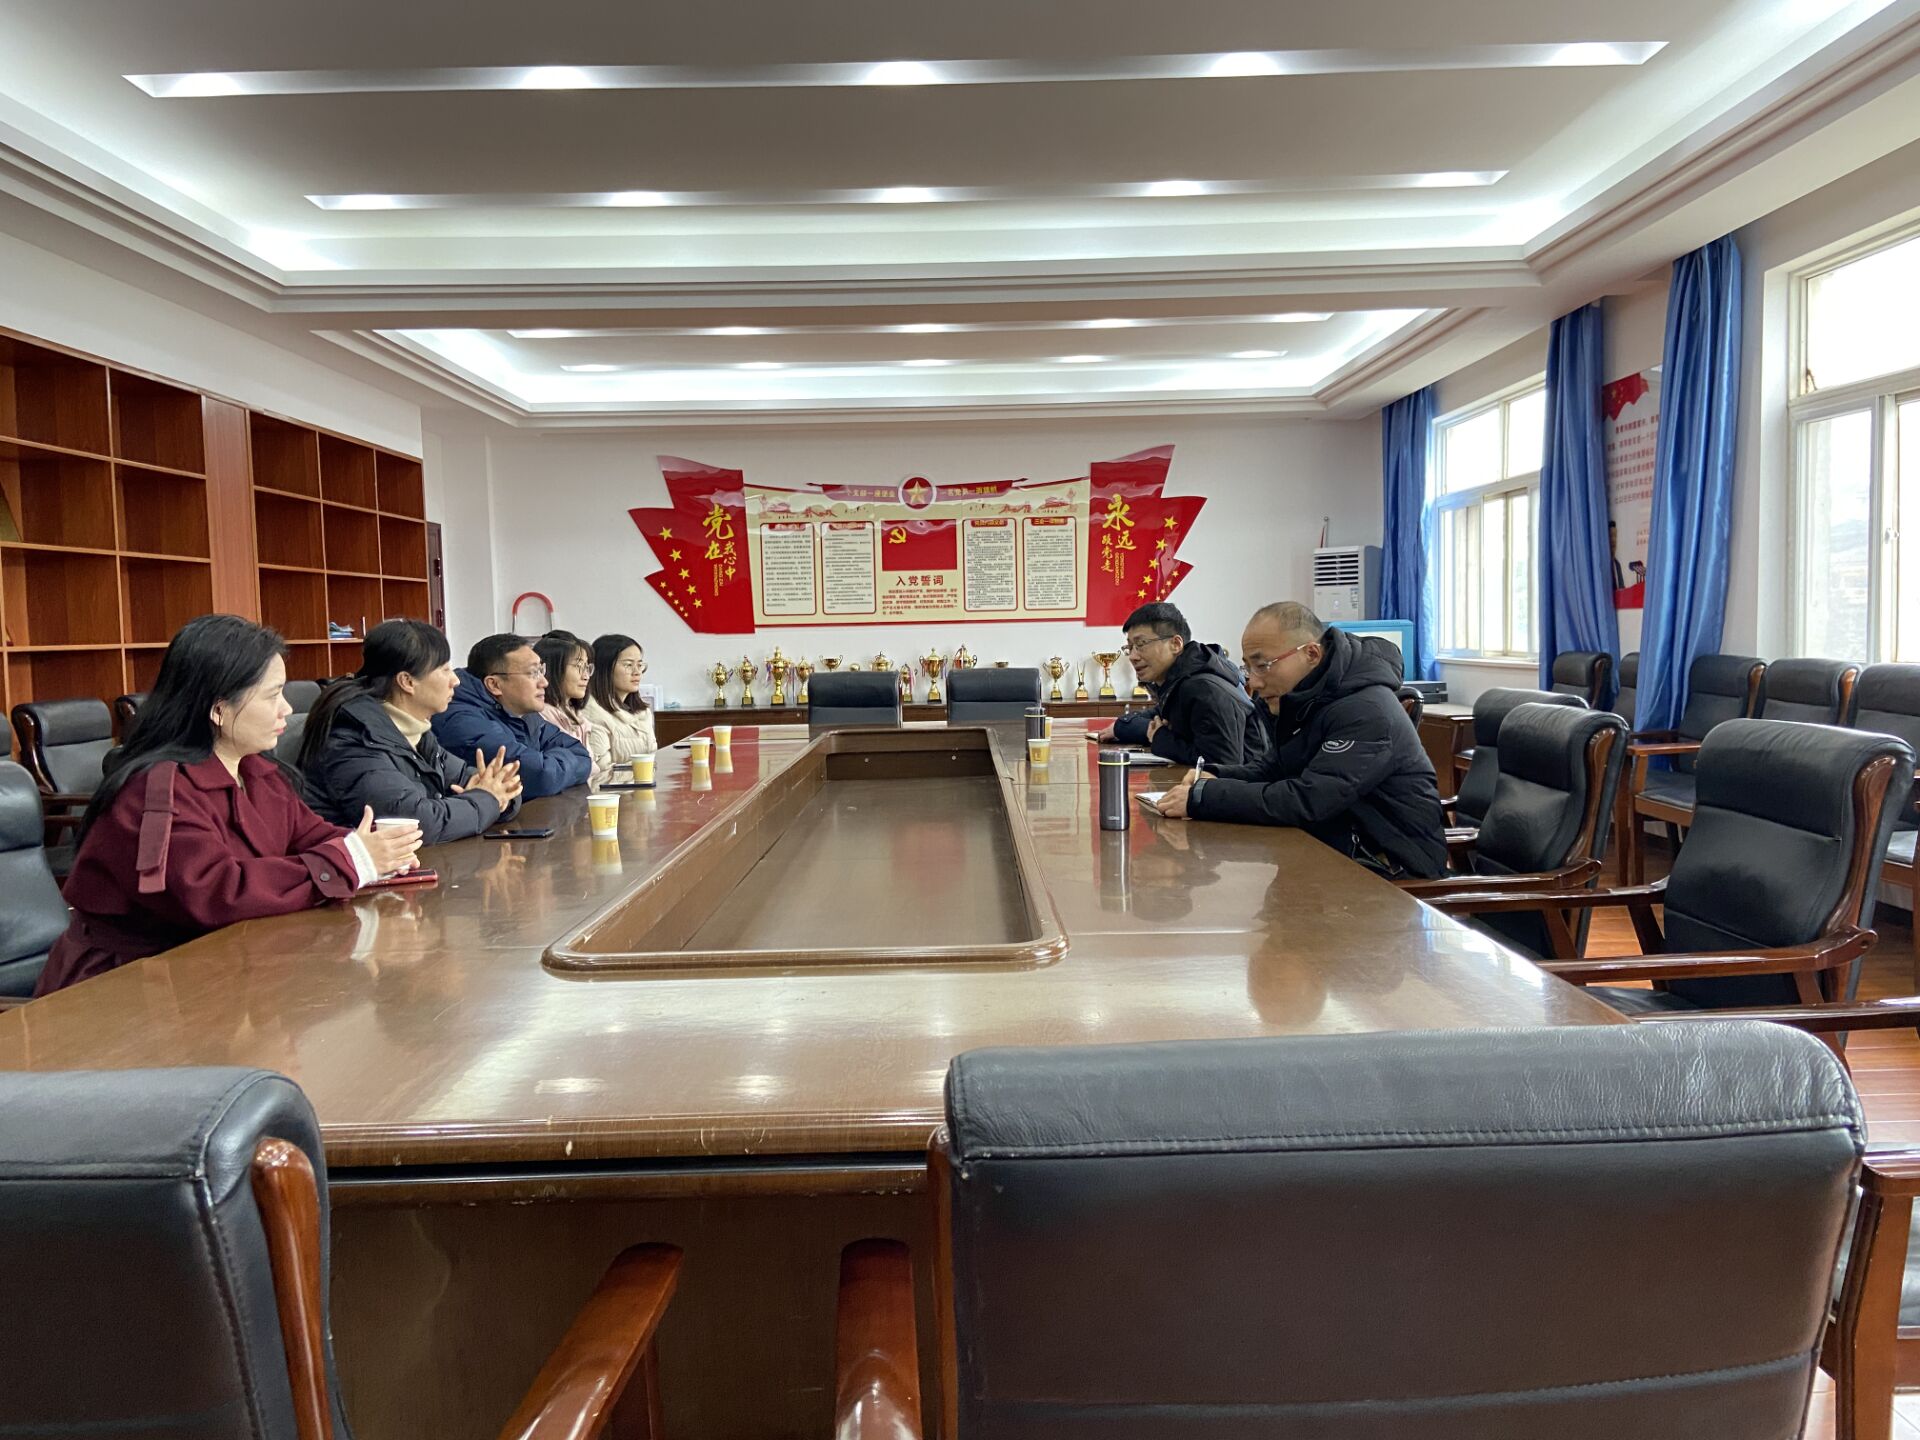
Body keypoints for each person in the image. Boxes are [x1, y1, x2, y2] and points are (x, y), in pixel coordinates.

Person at [33, 615, 424, 995]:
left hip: (213, 973)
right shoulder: (156, 790)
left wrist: (376, 852)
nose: (287, 709)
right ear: (219, 709)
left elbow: (310, 835)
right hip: (123, 989)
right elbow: (214, 892)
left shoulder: (258, 771)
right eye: (272, 695)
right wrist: (348, 861)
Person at [1154, 602, 1447, 879]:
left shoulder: (1367, 711)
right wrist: (1215, 776)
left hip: (1388, 870)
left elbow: (1309, 800)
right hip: (1329, 852)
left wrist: (1204, 797)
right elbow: (1273, 768)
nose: (1253, 681)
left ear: (1312, 654)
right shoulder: (1308, 700)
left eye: (1263, 665)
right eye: (1248, 668)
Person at [300, 618, 525, 842]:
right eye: (444, 669)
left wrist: (495, 795)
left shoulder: (416, 732)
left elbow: (488, 784)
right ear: (407, 681)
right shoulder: (353, 740)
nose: (455, 680)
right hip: (354, 863)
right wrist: (487, 799)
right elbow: (416, 823)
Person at [1095, 602, 1265, 766]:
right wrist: (1128, 727)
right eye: (1129, 647)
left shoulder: (1202, 688)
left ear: (1175, 644)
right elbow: (1153, 717)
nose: (1132, 656)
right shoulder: (1178, 682)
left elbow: (1222, 763)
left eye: (1141, 644)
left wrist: (1159, 737)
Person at [432, 634, 592, 799]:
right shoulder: (462, 722)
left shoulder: (522, 712)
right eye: (533, 673)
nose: (544, 682)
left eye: (541, 670)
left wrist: (550, 763)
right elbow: (541, 776)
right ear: (494, 684)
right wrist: (554, 762)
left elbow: (581, 754)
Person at [535, 631, 607, 785]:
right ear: (553, 668)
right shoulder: (542, 715)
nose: (586, 676)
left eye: (587, 667)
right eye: (578, 666)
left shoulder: (573, 712)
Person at [582, 633, 658, 776]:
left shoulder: (642, 712)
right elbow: (601, 772)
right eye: (628, 665)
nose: (637, 672)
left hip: (642, 784)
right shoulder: (592, 713)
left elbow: (653, 756)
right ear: (605, 668)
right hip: (613, 789)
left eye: (639, 665)